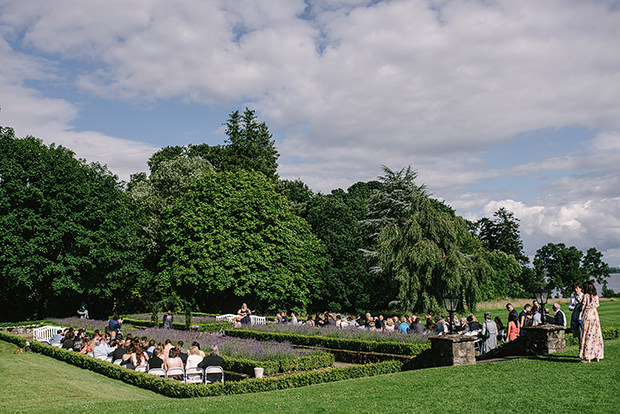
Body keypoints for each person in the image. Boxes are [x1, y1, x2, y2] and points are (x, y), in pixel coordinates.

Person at [579, 281, 604, 362]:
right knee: (595, 334)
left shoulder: (586, 296)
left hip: (587, 314)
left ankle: (587, 356)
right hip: (595, 315)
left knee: (586, 334)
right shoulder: (596, 296)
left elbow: (583, 307)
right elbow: (597, 305)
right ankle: (596, 355)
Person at [569, 283, 584, 347]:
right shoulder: (573, 298)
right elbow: (569, 307)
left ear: (580, 289)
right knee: (578, 335)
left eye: (577, 288)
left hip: (582, 317)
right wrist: (576, 307)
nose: (576, 290)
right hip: (575, 317)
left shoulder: (584, 296)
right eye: (575, 288)